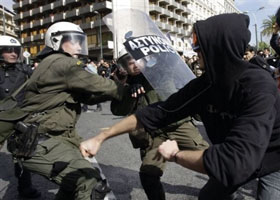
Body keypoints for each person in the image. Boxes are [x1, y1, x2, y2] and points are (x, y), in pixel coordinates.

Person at [80, 13, 280, 200]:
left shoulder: (259, 87)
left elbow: (233, 162)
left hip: (273, 158)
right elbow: (158, 112)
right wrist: (101, 137)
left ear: (219, 46)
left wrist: (176, 155)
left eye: (199, 46)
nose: (195, 51)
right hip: (239, 156)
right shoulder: (207, 85)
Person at [0, 21, 139, 200]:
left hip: (52, 139)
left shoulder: (54, 64)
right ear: (56, 41)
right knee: (88, 182)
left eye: (80, 41)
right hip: (42, 142)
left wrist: (119, 84)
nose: (78, 45)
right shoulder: (61, 63)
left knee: (70, 185)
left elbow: (89, 97)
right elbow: (100, 85)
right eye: (72, 40)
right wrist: (126, 84)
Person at [111, 49, 208, 200]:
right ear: (124, 66)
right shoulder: (126, 84)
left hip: (179, 126)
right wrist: (129, 90)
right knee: (148, 175)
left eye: (138, 60)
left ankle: (228, 194)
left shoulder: (161, 70)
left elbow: (171, 60)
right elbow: (117, 110)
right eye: (130, 63)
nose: (135, 65)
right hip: (155, 134)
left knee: (212, 162)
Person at [0, 35, 40, 198]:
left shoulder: (25, 70)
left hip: (21, 119)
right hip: (1, 120)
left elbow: (42, 82)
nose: (13, 53)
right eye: (8, 50)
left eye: (15, 50)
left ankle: (25, 188)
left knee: (22, 154)